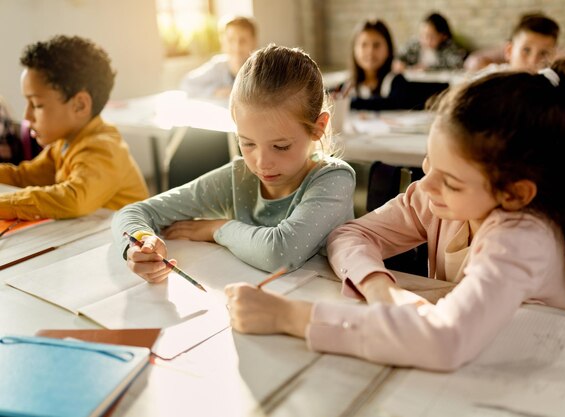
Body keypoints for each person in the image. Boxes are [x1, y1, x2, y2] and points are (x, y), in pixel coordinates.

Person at [225, 59, 565, 371]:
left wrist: (291, 316)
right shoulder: (436, 198)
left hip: (542, 378)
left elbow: (444, 340)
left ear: (515, 193)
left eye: (451, 181)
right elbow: (348, 236)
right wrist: (380, 286)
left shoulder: (523, 235)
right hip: (469, 367)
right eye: (428, 163)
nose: (426, 185)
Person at [113, 44, 356, 281]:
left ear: (318, 127)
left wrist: (216, 229)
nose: (262, 163)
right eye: (248, 143)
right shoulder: (238, 176)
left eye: (281, 146)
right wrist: (141, 242)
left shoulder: (334, 179)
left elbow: (279, 253)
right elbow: (135, 211)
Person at [0, 35, 148, 220]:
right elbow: (23, 177)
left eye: (37, 105)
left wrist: (6, 204)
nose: (26, 116)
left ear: (80, 105)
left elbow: (72, 199)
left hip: (128, 242)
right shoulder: (64, 143)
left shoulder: (103, 148)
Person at [345, 19, 417, 111]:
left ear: (388, 49)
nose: (370, 51)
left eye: (376, 45)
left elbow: (393, 103)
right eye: (364, 45)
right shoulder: (348, 86)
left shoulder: (396, 81)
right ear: (354, 50)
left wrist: (349, 103)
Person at [180, 15, 257, 100]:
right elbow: (187, 83)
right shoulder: (218, 67)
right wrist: (214, 91)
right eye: (231, 40)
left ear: (254, 42)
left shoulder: (261, 69)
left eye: (243, 41)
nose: (236, 47)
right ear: (223, 42)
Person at [465, 12, 559, 73]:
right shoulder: (491, 78)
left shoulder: (551, 86)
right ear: (509, 51)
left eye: (543, 53)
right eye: (526, 50)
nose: (533, 61)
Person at [396, 12, 467, 71]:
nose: (425, 40)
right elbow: (399, 56)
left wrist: (429, 69)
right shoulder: (415, 45)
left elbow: (457, 65)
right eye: (422, 35)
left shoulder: (449, 47)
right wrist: (399, 63)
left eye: (431, 37)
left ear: (443, 36)